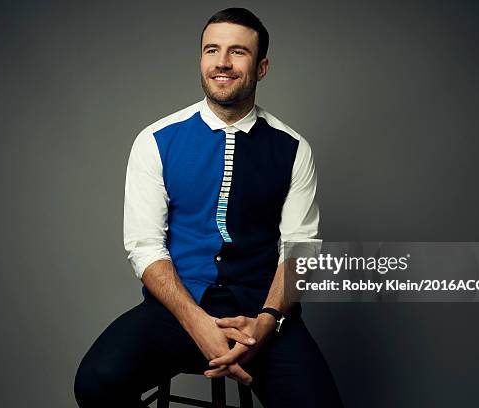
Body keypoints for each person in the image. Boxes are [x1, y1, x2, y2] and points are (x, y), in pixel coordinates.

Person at [74, 7, 343, 407]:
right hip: (178, 309)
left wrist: (266, 323)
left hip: (260, 314)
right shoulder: (156, 140)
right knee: (96, 383)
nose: (222, 62)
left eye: (238, 52)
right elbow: (145, 247)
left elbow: (300, 248)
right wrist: (196, 322)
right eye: (211, 50)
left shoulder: (292, 148)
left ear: (262, 67)